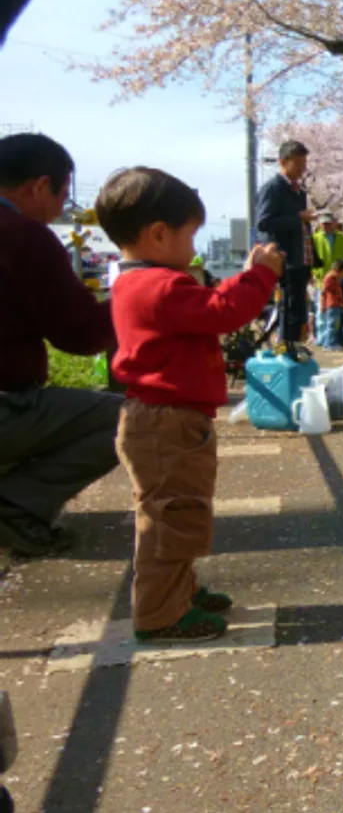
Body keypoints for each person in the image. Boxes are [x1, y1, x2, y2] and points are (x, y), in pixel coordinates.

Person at [95, 166, 282, 643]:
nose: (195, 248)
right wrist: (260, 275)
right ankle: (160, 614)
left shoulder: (133, 282)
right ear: (158, 234)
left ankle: (179, 593)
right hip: (168, 422)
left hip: (160, 419)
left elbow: (210, 307)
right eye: (190, 236)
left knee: (174, 512)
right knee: (172, 517)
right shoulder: (160, 285)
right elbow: (224, 312)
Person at [0, 133, 120, 556]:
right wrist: (131, 300)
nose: (59, 211)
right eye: (62, 196)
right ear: (38, 186)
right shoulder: (23, 235)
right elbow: (81, 336)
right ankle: (16, 503)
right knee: (128, 419)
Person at [255, 139, 316, 354]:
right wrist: (297, 217)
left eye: (304, 163)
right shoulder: (273, 188)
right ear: (283, 162)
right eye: (298, 164)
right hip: (285, 259)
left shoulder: (299, 191)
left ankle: (294, 350)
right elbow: (263, 222)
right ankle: (287, 351)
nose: (302, 169)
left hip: (301, 258)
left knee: (298, 310)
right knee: (288, 308)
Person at [318, 261, 343, 350]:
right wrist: (322, 305)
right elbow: (323, 293)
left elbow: (338, 292)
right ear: (337, 270)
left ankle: (331, 342)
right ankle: (329, 344)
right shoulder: (329, 279)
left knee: (335, 325)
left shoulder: (335, 279)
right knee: (331, 324)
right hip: (331, 305)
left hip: (336, 304)